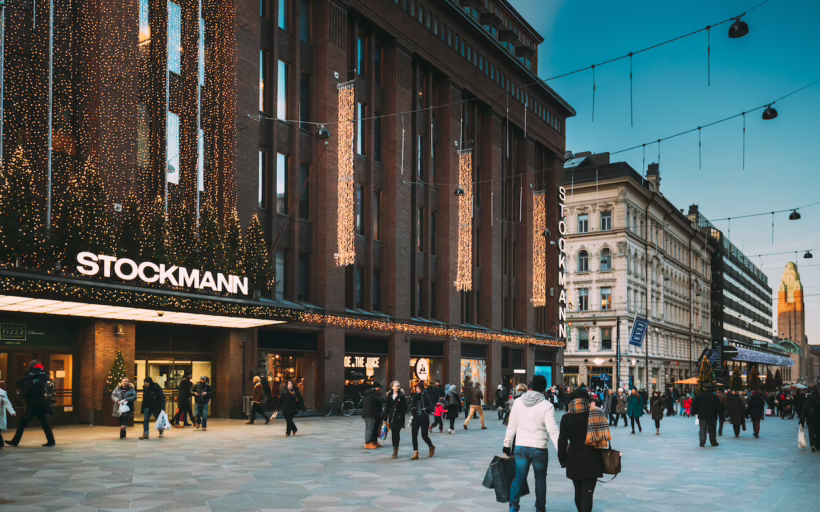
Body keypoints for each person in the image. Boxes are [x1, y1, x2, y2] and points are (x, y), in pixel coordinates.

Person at [503, 375, 560, 512]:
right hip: (539, 447)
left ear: (531, 385)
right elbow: (552, 430)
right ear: (545, 388)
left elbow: (512, 425)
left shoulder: (517, 402)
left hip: (521, 445)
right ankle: (540, 508)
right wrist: (561, 449)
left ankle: (513, 507)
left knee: (518, 478)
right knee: (540, 479)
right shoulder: (547, 406)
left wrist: (507, 444)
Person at [558, 388, 612, 512]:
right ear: (587, 399)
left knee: (578, 492)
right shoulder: (596, 413)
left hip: (574, 460)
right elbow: (604, 438)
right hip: (592, 459)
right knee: (587, 493)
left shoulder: (566, 418)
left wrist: (562, 459)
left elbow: (562, 442)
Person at [6, 360, 56, 447]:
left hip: (32, 405)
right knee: (45, 424)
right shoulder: (44, 376)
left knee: (22, 423)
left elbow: (27, 391)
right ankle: (51, 441)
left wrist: (21, 394)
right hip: (42, 404)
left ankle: (15, 441)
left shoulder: (31, 377)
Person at [408, 381, 435, 460]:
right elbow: (411, 407)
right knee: (414, 435)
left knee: (424, 435)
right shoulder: (414, 396)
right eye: (416, 388)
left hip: (424, 418)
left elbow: (430, 406)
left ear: (421, 389)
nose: (416, 389)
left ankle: (431, 446)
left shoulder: (426, 396)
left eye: (417, 388)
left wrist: (426, 409)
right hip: (416, 418)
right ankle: (415, 452)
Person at [383, 381, 407, 459]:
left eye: (398, 386)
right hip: (392, 418)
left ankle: (395, 450)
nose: (397, 387)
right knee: (393, 434)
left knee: (396, 433)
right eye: (396, 386)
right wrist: (385, 419)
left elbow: (404, 407)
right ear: (392, 387)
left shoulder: (401, 396)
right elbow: (387, 408)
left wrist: (400, 416)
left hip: (399, 418)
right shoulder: (389, 396)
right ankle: (394, 448)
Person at [361, 381, 383, 449]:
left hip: (370, 413)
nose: (380, 390)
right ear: (377, 388)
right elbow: (381, 400)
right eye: (380, 388)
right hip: (371, 414)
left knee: (372, 428)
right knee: (370, 428)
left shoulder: (368, 393)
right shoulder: (373, 394)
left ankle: (373, 441)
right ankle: (367, 443)